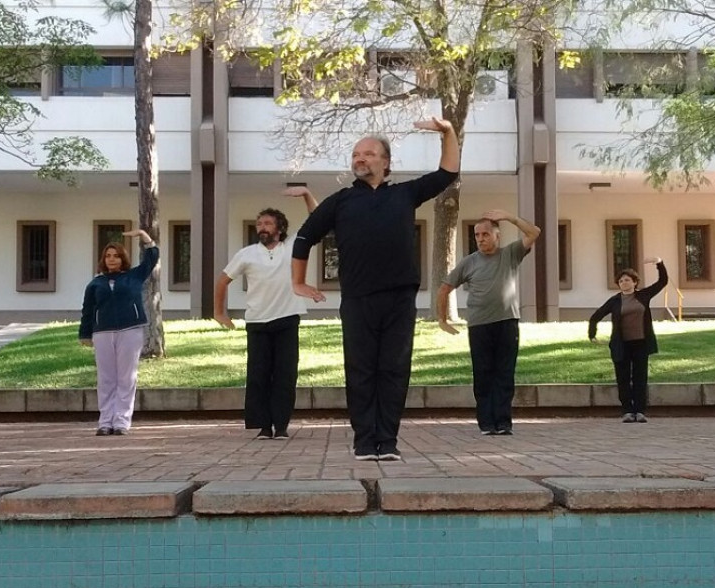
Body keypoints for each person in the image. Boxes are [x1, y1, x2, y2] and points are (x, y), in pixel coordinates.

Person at [291, 119, 461, 461]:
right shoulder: (340, 202)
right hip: (357, 300)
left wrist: (448, 132)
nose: (360, 158)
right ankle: (365, 441)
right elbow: (305, 236)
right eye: (356, 154)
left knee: (395, 369)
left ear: (385, 162)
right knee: (361, 369)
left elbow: (447, 174)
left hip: (400, 299)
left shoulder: (405, 194)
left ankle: (389, 441)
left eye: (368, 153)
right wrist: (298, 281)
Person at [214, 188, 318, 440]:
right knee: (259, 375)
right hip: (258, 321)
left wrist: (306, 194)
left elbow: (316, 218)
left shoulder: (293, 246)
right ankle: (262, 426)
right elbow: (222, 281)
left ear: (279, 228)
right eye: (259, 223)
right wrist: (219, 312)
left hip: (287, 319)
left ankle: (281, 425)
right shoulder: (246, 254)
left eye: (268, 223)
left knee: (285, 374)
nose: (262, 227)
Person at [436, 210, 541, 435]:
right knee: (483, 375)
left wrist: (510, 217)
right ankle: (486, 423)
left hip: (507, 323)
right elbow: (444, 288)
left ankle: (503, 422)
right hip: (479, 326)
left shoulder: (511, 253)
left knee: (504, 373)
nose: (481, 239)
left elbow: (534, 232)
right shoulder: (469, 262)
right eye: (477, 235)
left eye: (485, 234)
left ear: (497, 235)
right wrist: (442, 320)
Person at [79, 229, 159, 436]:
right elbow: (87, 311)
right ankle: (105, 422)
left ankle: (121, 421)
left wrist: (144, 236)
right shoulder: (95, 284)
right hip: (103, 332)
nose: (112, 259)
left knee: (126, 377)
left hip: (130, 330)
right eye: (108, 256)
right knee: (106, 378)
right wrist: (85, 334)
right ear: (103, 260)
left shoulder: (134, 276)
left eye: (116, 256)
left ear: (122, 258)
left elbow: (152, 257)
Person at [587, 258, 668, 423]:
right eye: (621, 280)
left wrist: (659, 263)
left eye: (627, 280)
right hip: (621, 345)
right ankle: (627, 411)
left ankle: (640, 411)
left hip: (641, 343)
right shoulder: (615, 300)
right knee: (623, 377)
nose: (624, 282)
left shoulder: (643, 295)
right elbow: (596, 316)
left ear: (635, 282)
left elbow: (662, 281)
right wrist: (592, 334)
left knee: (640, 377)